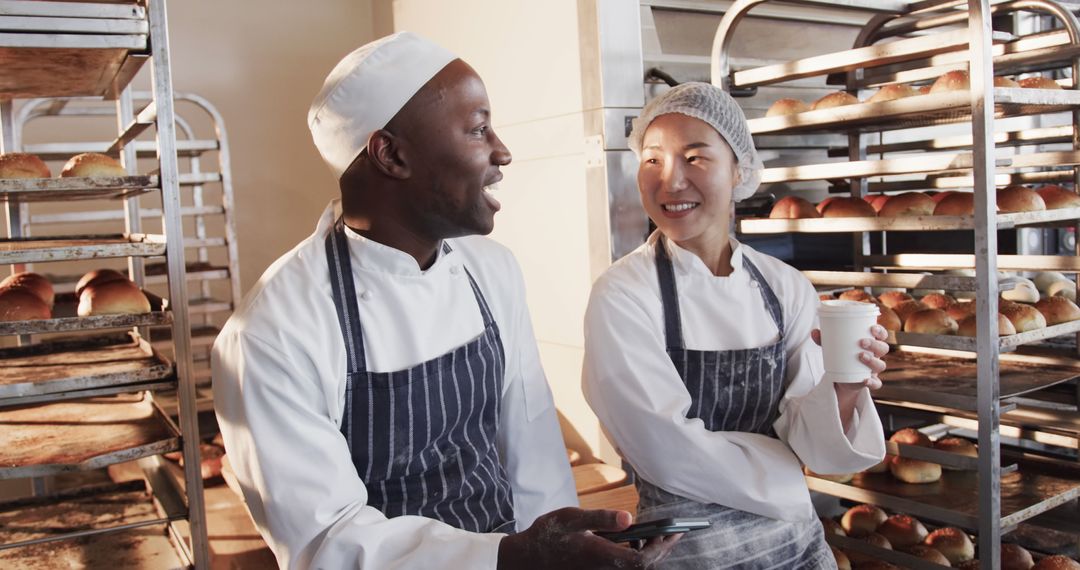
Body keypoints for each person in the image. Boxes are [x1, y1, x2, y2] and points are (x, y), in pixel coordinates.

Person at [212, 32, 680, 570]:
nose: (502, 151)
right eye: (478, 129)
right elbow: (328, 544)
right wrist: (514, 558)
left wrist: (570, 552)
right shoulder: (271, 332)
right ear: (390, 154)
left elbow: (534, 457)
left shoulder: (492, 271)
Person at [581, 82, 890, 569]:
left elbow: (813, 442)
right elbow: (666, 451)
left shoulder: (784, 287)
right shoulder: (623, 294)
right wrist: (786, 467)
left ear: (739, 171)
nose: (670, 181)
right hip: (690, 554)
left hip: (798, 550)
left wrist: (845, 385)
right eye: (653, 160)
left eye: (695, 158)